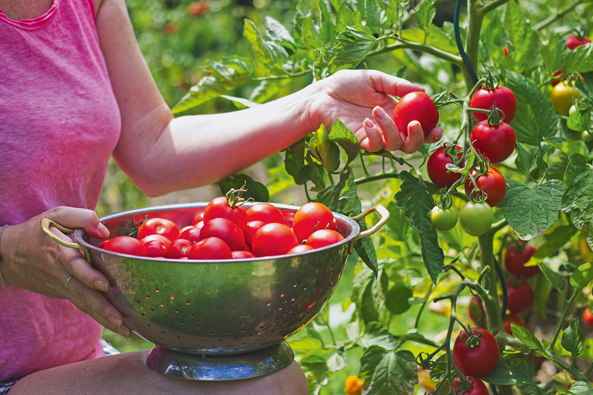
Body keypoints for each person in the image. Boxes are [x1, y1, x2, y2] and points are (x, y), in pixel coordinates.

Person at [0, 0, 443, 393]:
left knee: (265, 377)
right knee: (263, 386)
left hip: (72, 361)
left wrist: (314, 101)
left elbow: (154, 145)